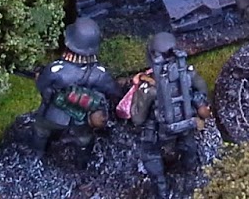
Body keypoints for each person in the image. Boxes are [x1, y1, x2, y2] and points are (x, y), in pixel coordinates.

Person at [128, 31, 213, 198]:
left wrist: (138, 94)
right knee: (188, 146)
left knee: (150, 153)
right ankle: (191, 176)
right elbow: (203, 91)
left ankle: (161, 188)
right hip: (186, 125)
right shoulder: (189, 74)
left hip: (158, 131)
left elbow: (137, 119)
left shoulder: (149, 88)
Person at [32, 16, 122, 160]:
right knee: (84, 140)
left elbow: (41, 85)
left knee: (41, 130)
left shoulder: (56, 69)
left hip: (53, 116)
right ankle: (82, 162)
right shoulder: (100, 73)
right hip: (82, 120)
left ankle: (37, 156)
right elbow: (114, 91)